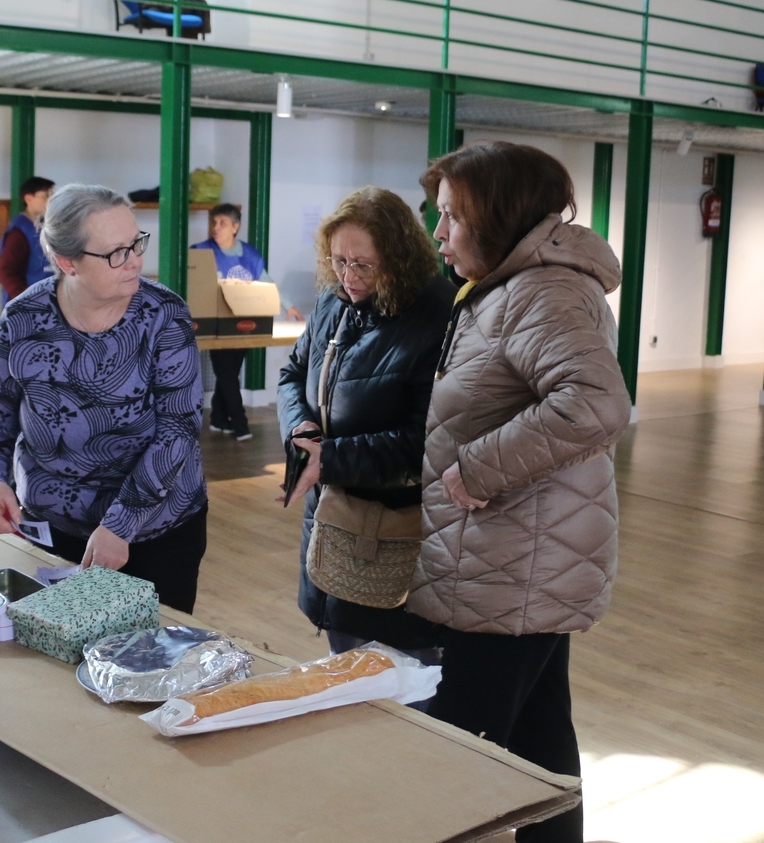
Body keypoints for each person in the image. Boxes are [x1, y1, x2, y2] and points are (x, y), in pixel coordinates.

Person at [411, 142, 632, 843]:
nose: (439, 232)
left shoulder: (544, 292)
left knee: (457, 748)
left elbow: (595, 404)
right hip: (517, 557)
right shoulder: (507, 287)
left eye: (452, 216)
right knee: (540, 740)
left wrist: (478, 468)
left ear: (498, 217)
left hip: (515, 562)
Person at [0, 184, 208, 613]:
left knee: (146, 649)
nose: (135, 260)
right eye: (116, 252)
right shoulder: (22, 320)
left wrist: (120, 525)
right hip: (51, 528)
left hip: (154, 531)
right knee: (53, 643)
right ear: (68, 263)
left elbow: (178, 430)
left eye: (136, 243)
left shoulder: (164, 316)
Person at [277, 187, 455, 654]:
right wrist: (301, 430)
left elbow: (426, 442)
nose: (348, 276)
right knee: (344, 661)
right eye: (338, 261)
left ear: (399, 258)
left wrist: (328, 459)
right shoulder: (334, 301)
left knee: (402, 671)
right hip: (331, 521)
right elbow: (293, 373)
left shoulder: (437, 315)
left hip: (396, 534)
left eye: (363, 265)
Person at [190, 203, 301, 441]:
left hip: (245, 323)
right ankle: (240, 424)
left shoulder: (250, 254)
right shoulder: (201, 252)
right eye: (214, 222)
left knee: (228, 372)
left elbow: (266, 282)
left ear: (235, 226)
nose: (216, 227)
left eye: (222, 223)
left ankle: (218, 418)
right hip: (216, 324)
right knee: (228, 374)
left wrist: (288, 305)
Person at [0, 175, 54, 303]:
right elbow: (5, 272)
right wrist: (26, 299)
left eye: (52, 195)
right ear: (28, 198)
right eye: (46, 196)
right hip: (28, 304)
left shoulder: (48, 228)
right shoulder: (18, 234)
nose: (51, 200)